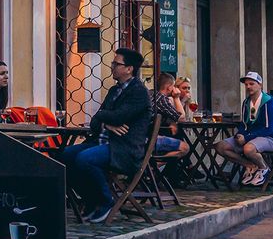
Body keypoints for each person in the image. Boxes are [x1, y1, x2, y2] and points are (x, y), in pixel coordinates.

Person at [60, 47, 152, 223]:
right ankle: (90, 198)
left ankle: (105, 200)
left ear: (129, 68)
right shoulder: (113, 91)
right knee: (65, 156)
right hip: (101, 142)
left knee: (84, 159)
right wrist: (106, 123)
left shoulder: (138, 92)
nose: (112, 67)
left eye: (116, 64)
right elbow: (96, 122)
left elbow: (118, 116)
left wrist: (103, 117)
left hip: (124, 149)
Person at [214, 71, 273, 186]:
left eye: (251, 84)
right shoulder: (246, 102)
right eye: (246, 84)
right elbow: (244, 124)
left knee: (248, 149)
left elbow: (268, 129)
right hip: (250, 138)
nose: (248, 87)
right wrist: (240, 135)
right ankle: (250, 166)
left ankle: (263, 168)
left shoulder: (268, 102)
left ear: (260, 85)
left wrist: (246, 138)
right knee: (220, 146)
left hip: (270, 138)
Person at [152, 73, 190, 158]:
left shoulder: (152, 94)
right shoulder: (163, 100)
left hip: (142, 136)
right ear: (169, 88)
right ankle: (154, 165)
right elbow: (181, 118)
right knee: (185, 148)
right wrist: (176, 98)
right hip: (149, 139)